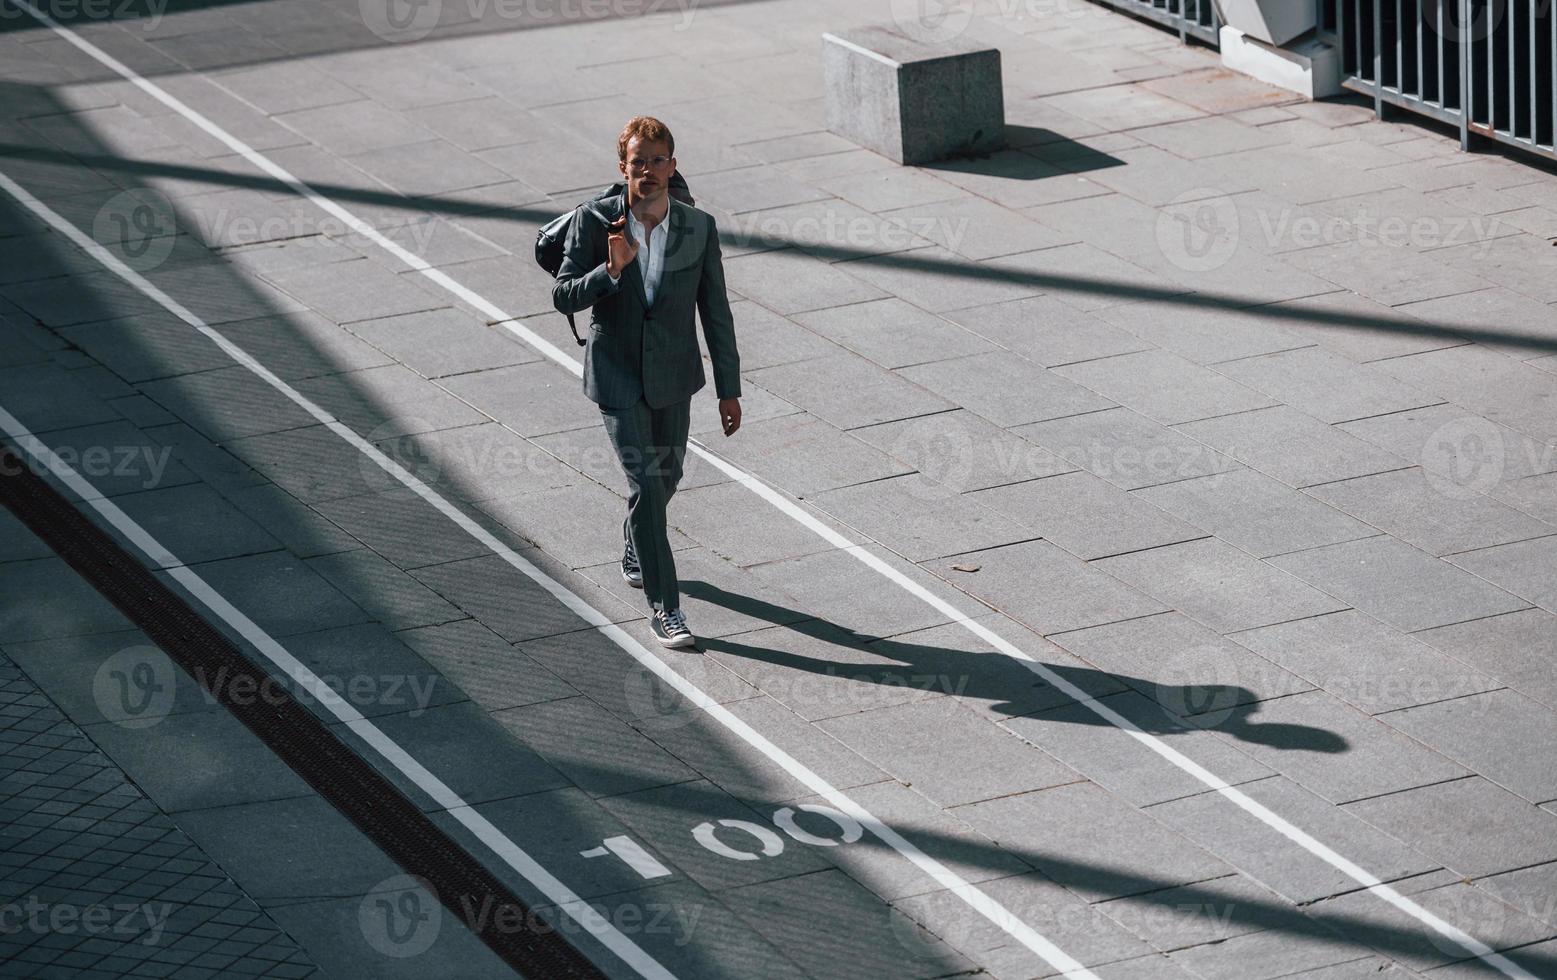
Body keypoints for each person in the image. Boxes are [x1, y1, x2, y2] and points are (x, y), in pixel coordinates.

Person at [552, 116, 742, 649]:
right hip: (616, 376)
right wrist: (609, 273)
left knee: (668, 477)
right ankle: (666, 609)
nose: (649, 170)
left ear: (672, 166)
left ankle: (638, 538)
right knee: (647, 485)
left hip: (674, 377)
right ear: (624, 168)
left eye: (659, 161)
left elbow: (716, 311)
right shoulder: (594, 223)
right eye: (639, 162)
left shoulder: (698, 228)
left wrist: (730, 388)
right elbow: (564, 294)